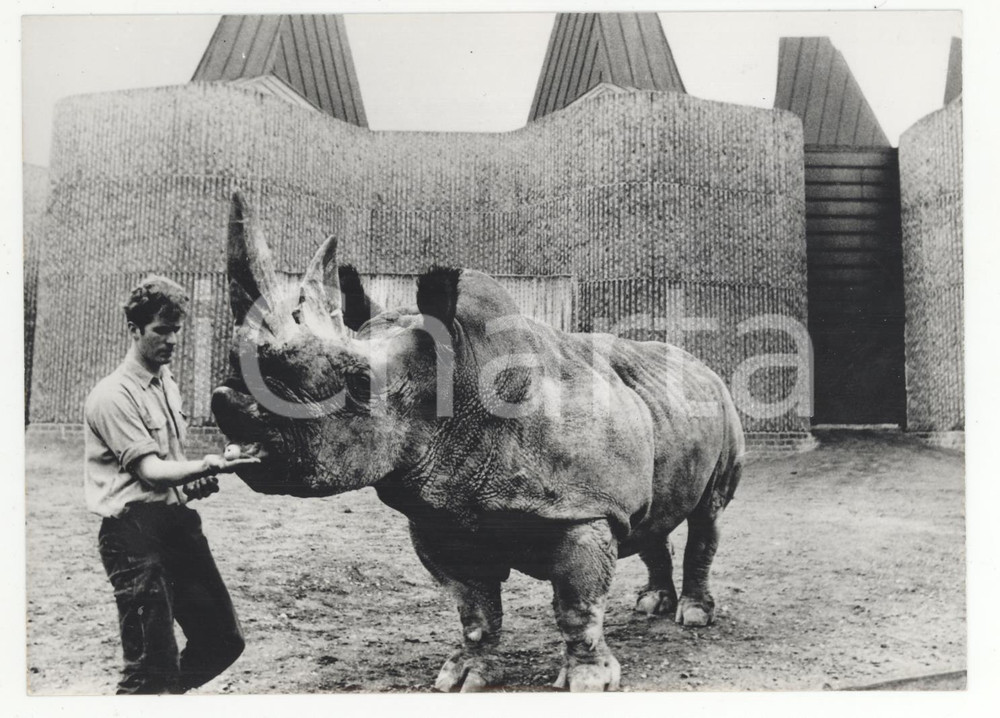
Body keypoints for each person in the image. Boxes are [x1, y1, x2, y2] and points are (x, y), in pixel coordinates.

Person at [84, 274, 258, 694]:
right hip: (133, 537)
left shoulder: (167, 386)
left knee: (223, 641)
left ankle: (160, 698)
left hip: (175, 525)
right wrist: (207, 464)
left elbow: (171, 470)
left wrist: (195, 481)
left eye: (177, 330)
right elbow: (150, 472)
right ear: (134, 330)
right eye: (161, 330)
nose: (172, 340)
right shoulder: (112, 395)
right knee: (149, 665)